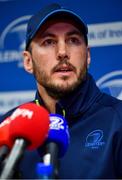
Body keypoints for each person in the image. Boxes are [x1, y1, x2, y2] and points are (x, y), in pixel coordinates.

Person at [1, 3, 122, 179]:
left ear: (87, 56)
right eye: (48, 42)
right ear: (28, 61)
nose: (63, 52)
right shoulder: (7, 127)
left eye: (73, 40)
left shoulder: (118, 121)